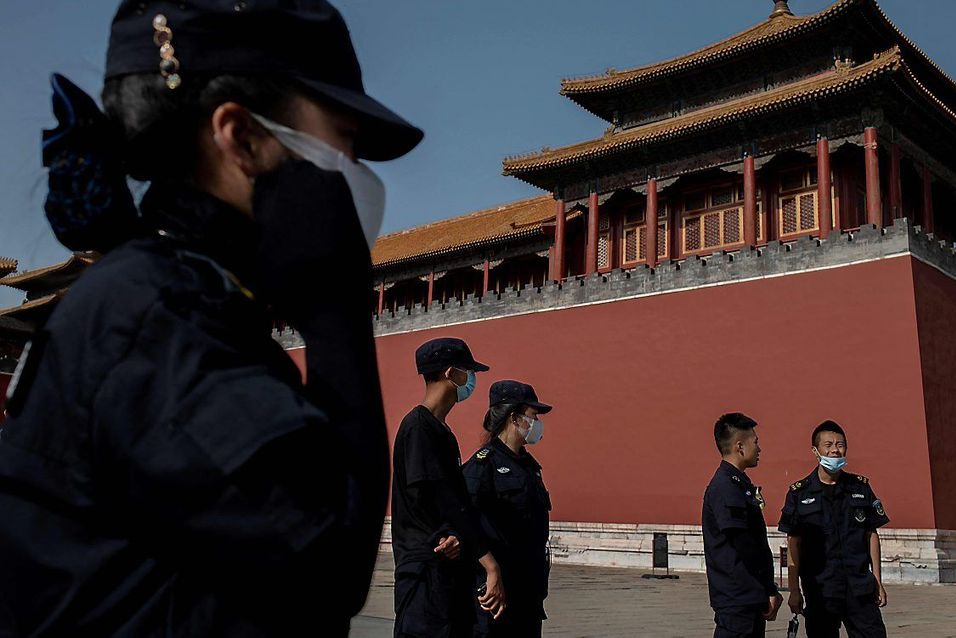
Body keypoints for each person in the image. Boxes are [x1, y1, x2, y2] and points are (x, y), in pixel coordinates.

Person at [0, 1, 422, 635]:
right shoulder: (161, 321)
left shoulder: (184, 300)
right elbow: (326, 559)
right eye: (346, 142)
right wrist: (336, 313)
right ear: (241, 138)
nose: (355, 173)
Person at [391, 337, 506, 637]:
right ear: (450, 373)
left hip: (444, 569)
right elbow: (436, 498)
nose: (471, 380)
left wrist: (456, 535)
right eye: (467, 371)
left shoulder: (442, 431)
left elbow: (452, 500)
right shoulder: (418, 426)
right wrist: (489, 562)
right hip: (423, 572)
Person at [779, 420, 889, 637]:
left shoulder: (860, 487)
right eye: (828, 445)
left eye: (840, 444)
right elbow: (794, 543)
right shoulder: (799, 493)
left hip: (859, 587)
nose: (835, 450)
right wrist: (794, 590)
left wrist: (877, 580)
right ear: (815, 450)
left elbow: (871, 535)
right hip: (821, 590)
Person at [463, 380, 554, 637]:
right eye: (533, 416)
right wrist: (490, 569)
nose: (537, 423)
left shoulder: (529, 467)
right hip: (497, 594)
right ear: (514, 418)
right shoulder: (484, 466)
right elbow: (464, 520)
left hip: (529, 592)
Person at [702, 413, 783, 638]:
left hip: (747, 596)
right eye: (755, 442)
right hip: (737, 598)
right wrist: (769, 588)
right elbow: (744, 544)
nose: (759, 448)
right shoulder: (726, 487)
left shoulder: (739, 484)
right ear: (740, 446)